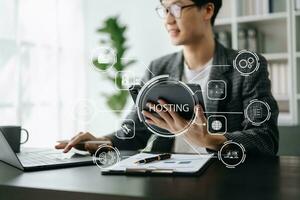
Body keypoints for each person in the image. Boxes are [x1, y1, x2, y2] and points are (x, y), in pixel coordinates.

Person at [56, 0, 279, 155]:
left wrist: (209, 139)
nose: (168, 19)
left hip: (223, 181)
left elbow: (265, 138)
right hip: (164, 180)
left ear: (207, 10)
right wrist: (102, 140)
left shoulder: (247, 67)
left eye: (177, 7)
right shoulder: (158, 67)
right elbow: (136, 131)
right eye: (164, 10)